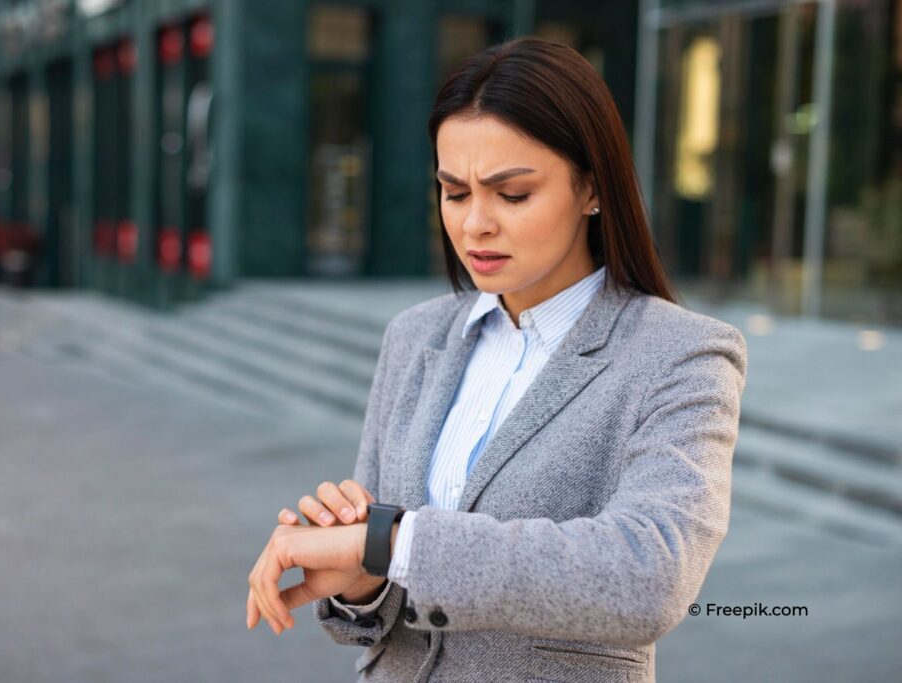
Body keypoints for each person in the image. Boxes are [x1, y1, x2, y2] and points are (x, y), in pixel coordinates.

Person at [245, 37, 747, 683]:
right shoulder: (415, 337)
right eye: (454, 192)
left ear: (592, 187)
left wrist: (394, 541)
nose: (475, 224)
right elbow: (389, 589)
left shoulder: (679, 355)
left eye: (512, 194)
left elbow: (649, 573)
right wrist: (362, 577)